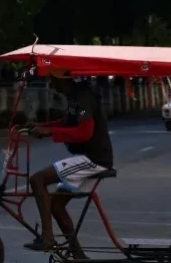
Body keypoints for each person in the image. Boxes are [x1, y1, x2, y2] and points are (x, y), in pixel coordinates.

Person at [25, 76, 114, 258]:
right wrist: (42, 127)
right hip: (87, 157)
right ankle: (78, 255)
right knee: (57, 205)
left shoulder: (84, 98)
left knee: (37, 179)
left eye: (54, 78)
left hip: (94, 159)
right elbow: (66, 123)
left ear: (64, 78)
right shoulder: (75, 96)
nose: (51, 83)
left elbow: (84, 132)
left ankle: (48, 238)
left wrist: (50, 131)